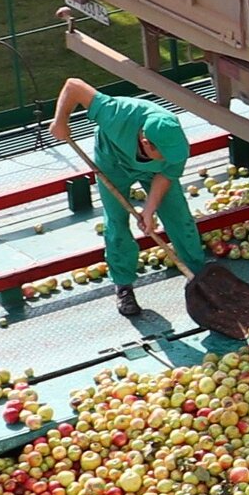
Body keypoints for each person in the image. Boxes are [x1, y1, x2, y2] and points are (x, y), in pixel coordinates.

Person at [48, 77, 206, 321]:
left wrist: (149, 210)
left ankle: (199, 276)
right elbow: (74, 85)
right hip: (113, 164)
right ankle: (124, 285)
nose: (169, 158)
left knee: (179, 216)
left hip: (151, 172)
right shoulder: (116, 114)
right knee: (117, 222)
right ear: (146, 143)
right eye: (162, 154)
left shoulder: (175, 145)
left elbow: (166, 173)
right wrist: (60, 121)